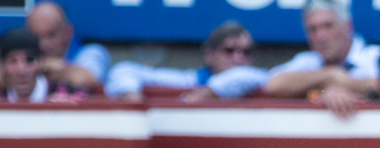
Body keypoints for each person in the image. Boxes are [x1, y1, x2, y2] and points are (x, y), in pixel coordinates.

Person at [262, 0, 380, 118]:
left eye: (328, 26)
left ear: (347, 26)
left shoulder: (374, 56)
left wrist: (341, 86)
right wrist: (328, 75)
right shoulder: (307, 61)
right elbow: (271, 85)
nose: (320, 37)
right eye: (313, 29)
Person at [104, 21, 267, 103]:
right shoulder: (190, 80)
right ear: (209, 56)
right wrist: (133, 98)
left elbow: (244, 76)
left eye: (247, 52)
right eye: (229, 51)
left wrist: (203, 95)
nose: (238, 58)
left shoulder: (260, 80)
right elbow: (124, 70)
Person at [0, 2, 109, 94]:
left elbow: (85, 78)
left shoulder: (91, 53)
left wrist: (33, 70)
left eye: (51, 35)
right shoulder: (18, 55)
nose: (42, 45)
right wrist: (45, 68)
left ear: (68, 32)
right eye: (36, 36)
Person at [0, 28, 47, 102]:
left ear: (41, 63)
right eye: (12, 61)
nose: (21, 71)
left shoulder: (63, 94)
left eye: (29, 60)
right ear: (1, 67)